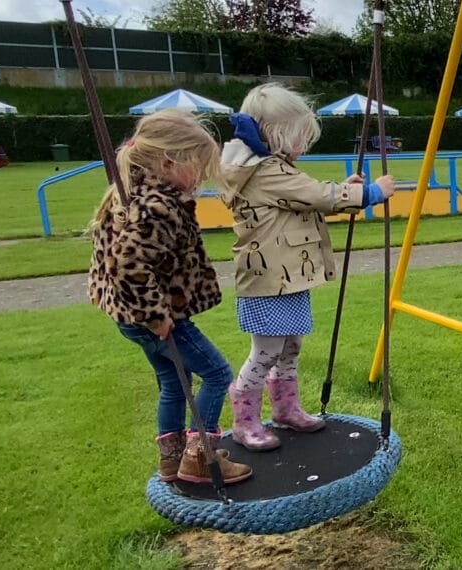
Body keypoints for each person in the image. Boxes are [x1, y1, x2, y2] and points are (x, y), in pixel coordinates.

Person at [220, 83, 396, 451]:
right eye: (300, 137)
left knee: (290, 347)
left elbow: (306, 200)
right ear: (276, 135)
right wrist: (372, 193)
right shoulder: (263, 170)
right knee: (266, 352)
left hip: (287, 277)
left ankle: (285, 409)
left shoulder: (271, 169)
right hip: (267, 281)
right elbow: (318, 195)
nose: (304, 145)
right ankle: (245, 421)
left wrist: (344, 191)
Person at [87, 109, 252, 485]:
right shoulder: (156, 207)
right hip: (156, 317)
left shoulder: (135, 195)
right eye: (196, 166)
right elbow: (127, 265)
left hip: (130, 318)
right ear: (168, 162)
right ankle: (200, 457)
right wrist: (155, 315)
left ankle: (172, 460)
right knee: (216, 373)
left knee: (174, 383)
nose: (199, 177)